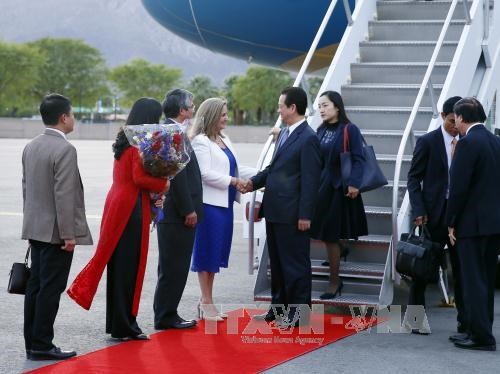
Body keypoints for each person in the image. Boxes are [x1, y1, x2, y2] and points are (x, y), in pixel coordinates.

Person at [67, 98, 169, 341]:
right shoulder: (137, 144)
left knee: (119, 266)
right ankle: (124, 324)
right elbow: (140, 179)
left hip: (118, 202)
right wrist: (164, 184)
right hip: (130, 206)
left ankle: (118, 321)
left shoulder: (126, 140)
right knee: (129, 267)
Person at [22, 93, 93, 360]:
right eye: (72, 114)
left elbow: (27, 189)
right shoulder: (65, 149)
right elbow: (65, 195)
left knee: (35, 287)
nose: (73, 118)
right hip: (55, 233)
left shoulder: (31, 146)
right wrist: (68, 235)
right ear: (64, 118)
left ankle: (33, 342)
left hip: (36, 229)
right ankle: (42, 344)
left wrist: (31, 227)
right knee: (50, 289)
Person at [243, 86, 321, 326]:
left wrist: (305, 214)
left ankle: (299, 314)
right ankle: (278, 309)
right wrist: (251, 183)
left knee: (294, 264)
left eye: (280, 105)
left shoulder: (308, 138)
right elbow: (273, 169)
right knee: (276, 263)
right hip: (276, 210)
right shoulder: (286, 134)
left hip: (293, 213)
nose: (278, 109)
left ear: (292, 108)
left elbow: (310, 180)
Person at [189, 97, 256, 321]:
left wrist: (262, 174)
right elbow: (205, 173)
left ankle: (206, 300)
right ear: (212, 116)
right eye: (224, 114)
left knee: (216, 254)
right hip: (209, 206)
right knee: (206, 253)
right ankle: (206, 301)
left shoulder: (223, 139)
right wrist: (234, 182)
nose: (227, 118)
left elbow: (236, 167)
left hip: (225, 205)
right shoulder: (200, 141)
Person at [406, 96, 465, 335]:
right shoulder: (428, 142)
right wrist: (419, 209)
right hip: (433, 216)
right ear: (443, 116)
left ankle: (464, 322)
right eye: (452, 121)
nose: (455, 126)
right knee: (422, 270)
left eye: (458, 122)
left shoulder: (467, 140)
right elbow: (413, 178)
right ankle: (415, 320)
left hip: (459, 216)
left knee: (461, 270)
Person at [447, 97, 500, 351]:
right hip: (493, 224)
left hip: (472, 224)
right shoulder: (494, 141)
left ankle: (480, 336)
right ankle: (478, 329)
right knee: (486, 280)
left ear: (460, 117)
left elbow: (458, 189)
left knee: (473, 280)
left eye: (455, 117)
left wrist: (450, 222)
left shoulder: (468, 144)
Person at [309, 91, 368, 300]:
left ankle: (334, 281)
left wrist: (354, 183)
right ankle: (341, 250)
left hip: (339, 189)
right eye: (320, 106)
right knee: (324, 232)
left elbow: (359, 159)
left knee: (330, 234)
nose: (322, 110)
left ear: (337, 107)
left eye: (325, 105)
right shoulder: (320, 130)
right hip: (321, 188)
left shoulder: (349, 129)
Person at [153, 89, 201, 330]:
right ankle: (165, 315)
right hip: (176, 214)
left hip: (173, 213)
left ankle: (167, 313)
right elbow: (177, 176)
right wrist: (188, 210)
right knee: (174, 267)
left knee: (171, 266)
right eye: (191, 106)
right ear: (182, 110)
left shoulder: (172, 131)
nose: (193, 109)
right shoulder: (172, 133)